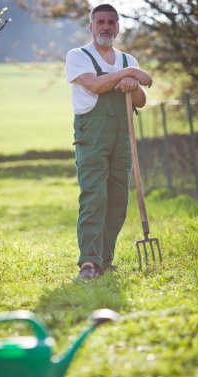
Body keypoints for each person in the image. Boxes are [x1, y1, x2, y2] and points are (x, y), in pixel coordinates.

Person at [65, 3, 152, 279]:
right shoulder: (78, 56)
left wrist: (133, 83)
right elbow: (95, 85)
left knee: (117, 201)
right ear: (91, 26)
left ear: (117, 26)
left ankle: (105, 260)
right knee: (94, 197)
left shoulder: (128, 61)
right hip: (92, 138)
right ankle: (89, 262)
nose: (106, 27)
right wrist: (127, 76)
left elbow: (142, 99)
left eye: (111, 22)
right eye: (100, 22)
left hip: (123, 140)